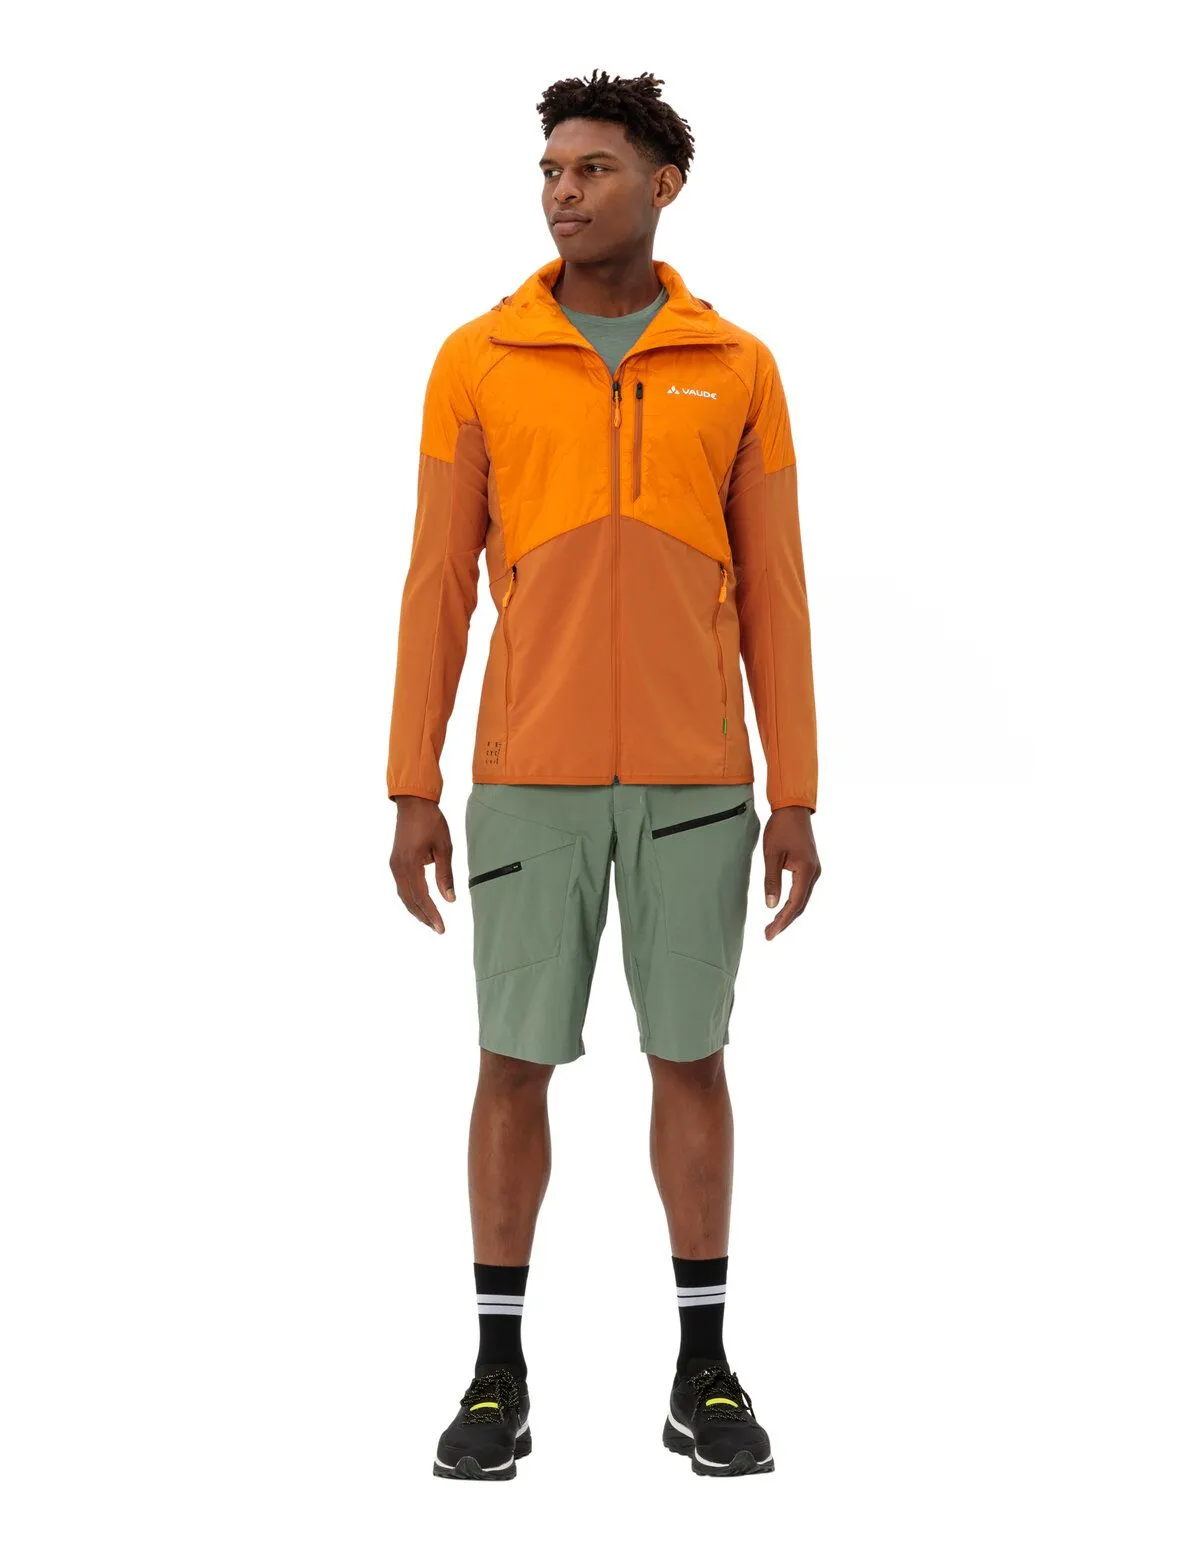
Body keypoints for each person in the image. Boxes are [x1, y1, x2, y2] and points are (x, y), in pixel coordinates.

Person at [387, 69, 820, 1481]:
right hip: (529, 777)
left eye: (592, 170)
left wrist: (797, 793)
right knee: (511, 1063)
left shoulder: (737, 365)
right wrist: (411, 783)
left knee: (690, 1058)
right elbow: (436, 586)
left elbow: (776, 594)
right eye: (551, 172)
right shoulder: (479, 359)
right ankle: (494, 1377)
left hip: (700, 780)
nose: (563, 193)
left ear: (662, 184)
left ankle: (705, 1371)